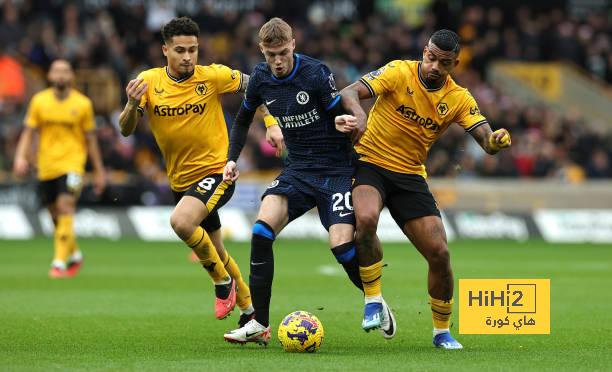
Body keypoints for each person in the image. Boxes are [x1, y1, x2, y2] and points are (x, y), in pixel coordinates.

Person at [222, 17, 395, 346]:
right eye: (271, 54)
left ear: (293, 45)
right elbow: (244, 117)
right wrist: (231, 158)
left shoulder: (316, 72)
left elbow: (333, 110)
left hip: (336, 169)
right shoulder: (260, 78)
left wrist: (344, 120)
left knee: (342, 247)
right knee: (260, 232)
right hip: (298, 170)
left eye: (283, 53)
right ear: (262, 50)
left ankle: (375, 300)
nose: (277, 61)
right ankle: (259, 322)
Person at [336, 29, 511, 349]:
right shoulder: (397, 71)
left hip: (410, 177)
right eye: (430, 57)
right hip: (370, 162)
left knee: (440, 253)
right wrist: (359, 112)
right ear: (425, 51)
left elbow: (486, 140)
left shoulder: (458, 98)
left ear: (454, 64)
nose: (433, 66)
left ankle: (441, 331)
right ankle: (373, 300)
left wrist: (496, 142)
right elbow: (348, 91)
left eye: (443, 63)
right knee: (366, 219)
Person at [118, 17, 274, 325]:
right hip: (182, 182)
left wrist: (270, 122)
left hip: (218, 172)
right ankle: (250, 316)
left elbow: (256, 85)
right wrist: (130, 104)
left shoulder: (213, 76)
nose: (188, 57)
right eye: (180, 50)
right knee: (216, 249)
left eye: (193, 50)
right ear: (165, 50)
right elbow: (126, 129)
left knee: (180, 221)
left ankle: (221, 283)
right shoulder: (148, 83)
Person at [13, 59, 106, 278]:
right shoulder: (39, 101)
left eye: (65, 71)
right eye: (57, 71)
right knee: (55, 216)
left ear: (72, 76)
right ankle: (75, 256)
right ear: (50, 76)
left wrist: (99, 171)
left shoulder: (83, 104)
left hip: (73, 165)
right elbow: (29, 133)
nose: (61, 75)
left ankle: (58, 264)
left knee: (65, 207)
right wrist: (20, 157)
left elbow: (91, 140)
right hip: (45, 166)